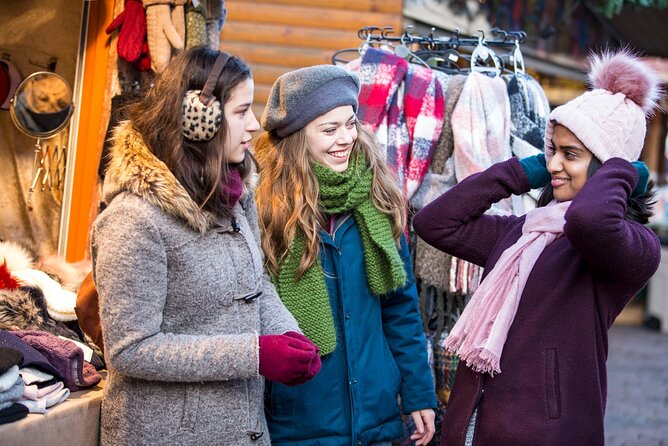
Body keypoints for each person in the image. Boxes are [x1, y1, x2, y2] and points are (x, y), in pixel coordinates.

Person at [413, 50, 662, 446]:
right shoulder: (522, 232)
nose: (553, 165)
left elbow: (589, 221)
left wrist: (622, 168)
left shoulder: (631, 247)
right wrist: (518, 171)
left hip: (547, 434)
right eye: (553, 150)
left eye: (571, 154)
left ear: (606, 166)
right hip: (476, 425)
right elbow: (434, 223)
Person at [90, 46, 321, 446]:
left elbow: (256, 285)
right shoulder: (133, 220)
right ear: (200, 119)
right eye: (241, 111)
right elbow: (131, 349)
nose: (253, 126)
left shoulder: (235, 195)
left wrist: (287, 333)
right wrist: (255, 354)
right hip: (168, 435)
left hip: (244, 428)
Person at [254, 65, 438, 446]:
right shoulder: (267, 214)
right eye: (329, 129)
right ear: (296, 137)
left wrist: (419, 391)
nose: (345, 139)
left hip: (377, 418)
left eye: (350, 124)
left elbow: (400, 310)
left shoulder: (378, 201)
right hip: (300, 422)